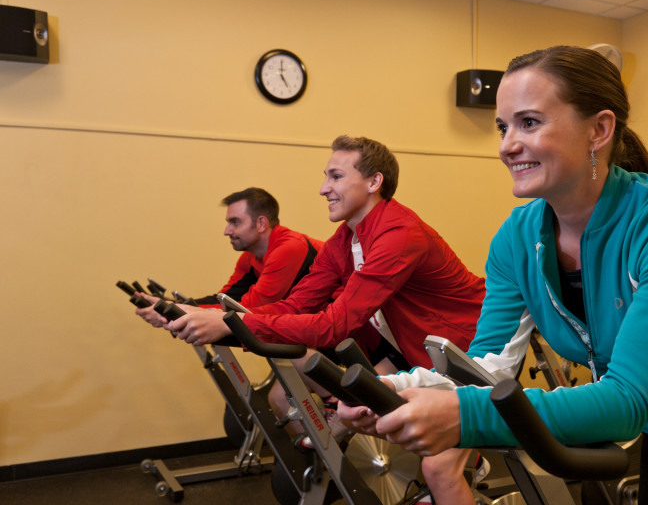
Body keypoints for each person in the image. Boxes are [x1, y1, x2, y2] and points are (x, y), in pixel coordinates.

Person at [343, 46, 648, 505]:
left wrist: (462, 416)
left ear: (599, 130)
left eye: (529, 122)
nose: (507, 145)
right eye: (503, 127)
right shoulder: (516, 238)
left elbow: (625, 401)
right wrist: (399, 388)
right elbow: (490, 367)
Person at [164, 136, 486, 500]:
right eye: (325, 177)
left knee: (437, 467)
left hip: (468, 354)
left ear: (373, 182)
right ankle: (458, 457)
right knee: (352, 411)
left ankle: (468, 458)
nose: (323, 188)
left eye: (335, 176)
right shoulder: (345, 238)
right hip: (417, 352)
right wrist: (213, 316)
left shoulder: (399, 233)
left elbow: (333, 324)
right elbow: (297, 305)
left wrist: (226, 325)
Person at [135, 187, 324, 326]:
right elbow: (226, 300)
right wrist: (171, 306)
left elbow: (248, 310)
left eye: (235, 222)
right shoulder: (249, 258)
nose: (227, 231)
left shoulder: (288, 248)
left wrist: (180, 312)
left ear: (261, 223)